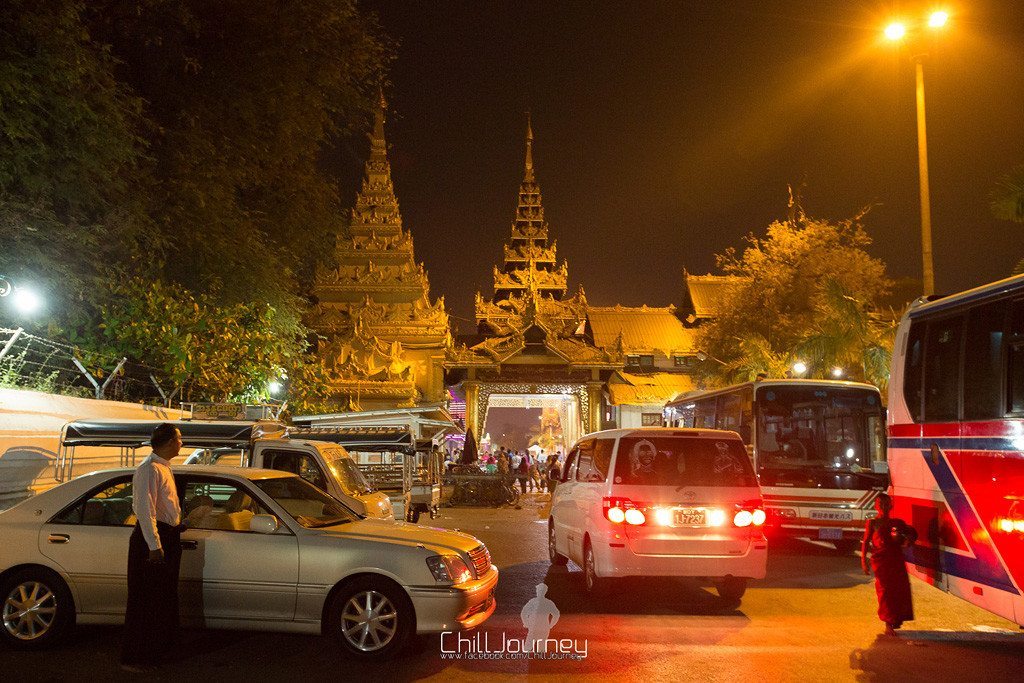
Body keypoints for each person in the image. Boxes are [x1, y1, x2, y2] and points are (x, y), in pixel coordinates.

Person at [121, 423, 185, 672]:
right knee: (145, 601)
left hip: (165, 536)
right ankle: (136, 658)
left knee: (162, 598)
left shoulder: (163, 468)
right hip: (152, 541)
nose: (182, 443)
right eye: (179, 439)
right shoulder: (148, 470)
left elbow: (164, 508)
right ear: (169, 442)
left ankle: (159, 651)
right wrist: (154, 546)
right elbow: (145, 512)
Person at [862, 492, 918, 636]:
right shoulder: (872, 523)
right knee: (885, 591)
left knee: (898, 589)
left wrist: (907, 541)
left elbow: (911, 534)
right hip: (880, 561)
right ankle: (888, 623)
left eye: (886, 504)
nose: (883, 506)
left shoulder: (897, 523)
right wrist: (863, 560)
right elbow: (866, 541)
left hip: (895, 559)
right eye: (881, 504)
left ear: (891, 506)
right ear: (876, 506)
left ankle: (896, 619)